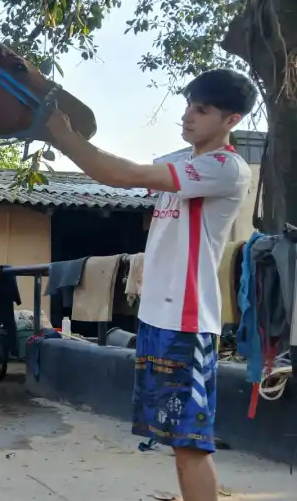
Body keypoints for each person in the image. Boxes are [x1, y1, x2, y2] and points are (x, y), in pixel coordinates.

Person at [45, 68, 257, 501]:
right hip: (158, 318)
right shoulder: (182, 161)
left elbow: (121, 175)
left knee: (190, 446)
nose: (188, 116)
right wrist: (67, 137)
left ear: (231, 120)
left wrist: (60, 134)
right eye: (188, 105)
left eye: (202, 110)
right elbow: (117, 169)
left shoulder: (225, 168)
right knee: (177, 441)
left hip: (187, 323)